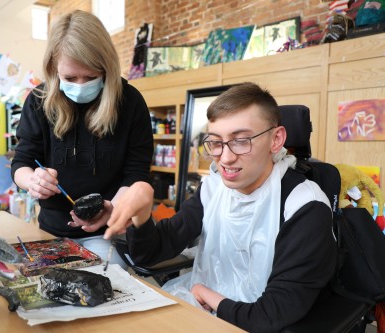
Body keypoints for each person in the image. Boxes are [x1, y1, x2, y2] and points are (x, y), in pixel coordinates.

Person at [105, 83, 338, 332]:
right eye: (215, 142)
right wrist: (142, 217)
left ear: (276, 139)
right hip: (208, 310)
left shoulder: (305, 206)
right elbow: (152, 253)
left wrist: (205, 294)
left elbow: (272, 315)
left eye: (240, 141)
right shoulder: (215, 188)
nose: (225, 158)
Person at [11, 10, 153, 268]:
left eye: (91, 77)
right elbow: (21, 161)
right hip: (50, 231)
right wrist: (32, 180)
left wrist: (112, 208)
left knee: (109, 283)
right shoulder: (39, 101)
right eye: (69, 78)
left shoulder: (129, 102)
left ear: (107, 67)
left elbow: (137, 172)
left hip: (108, 230)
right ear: (54, 69)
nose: (80, 85)